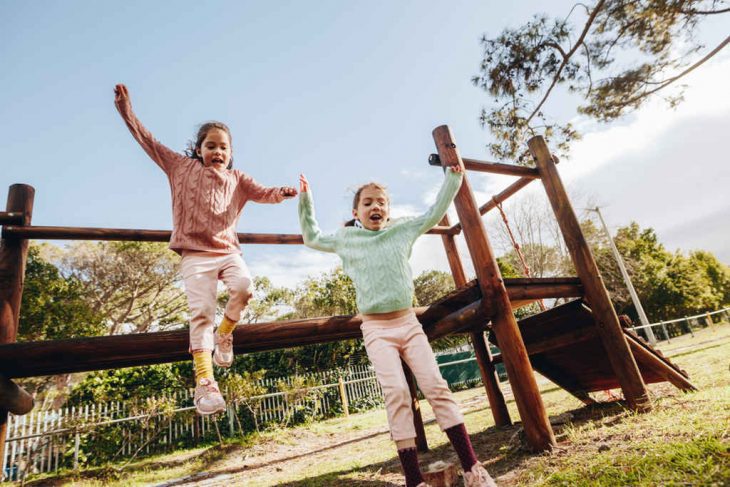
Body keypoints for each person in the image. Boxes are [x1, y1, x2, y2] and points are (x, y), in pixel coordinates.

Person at [298, 166, 496, 487]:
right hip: (376, 329)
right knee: (397, 393)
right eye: (368, 203)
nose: (375, 207)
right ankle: (413, 480)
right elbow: (312, 237)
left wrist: (453, 179)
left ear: (388, 211)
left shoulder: (402, 230)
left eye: (381, 202)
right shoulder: (347, 239)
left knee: (435, 386)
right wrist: (306, 199)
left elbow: (434, 213)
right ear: (356, 212)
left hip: (408, 323)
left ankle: (473, 468)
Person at [114, 84, 297, 416]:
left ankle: (225, 334)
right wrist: (127, 110)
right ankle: (205, 385)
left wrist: (281, 192)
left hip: (228, 251)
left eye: (223, 147)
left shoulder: (237, 178)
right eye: (210, 146)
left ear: (230, 152)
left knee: (244, 289)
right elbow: (148, 141)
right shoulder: (180, 168)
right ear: (198, 149)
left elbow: (262, 192)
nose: (218, 151)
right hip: (194, 254)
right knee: (201, 314)